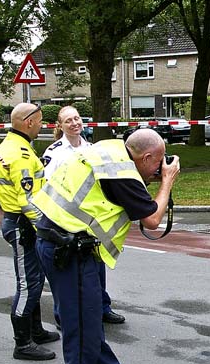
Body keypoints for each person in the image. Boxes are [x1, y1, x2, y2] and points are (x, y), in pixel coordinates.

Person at [32, 129, 180, 364]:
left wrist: (154, 177)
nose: (159, 168)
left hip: (61, 243)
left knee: (89, 322)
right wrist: (167, 182)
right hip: (69, 252)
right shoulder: (123, 173)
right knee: (81, 330)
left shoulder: (111, 149)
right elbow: (152, 219)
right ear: (147, 157)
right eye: (158, 163)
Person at [41, 106, 126, 326]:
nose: (75, 123)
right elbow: (50, 186)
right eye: (68, 120)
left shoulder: (91, 148)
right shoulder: (55, 152)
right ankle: (62, 315)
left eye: (77, 118)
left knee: (97, 263)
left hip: (90, 217)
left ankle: (102, 307)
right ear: (60, 126)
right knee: (66, 273)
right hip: (66, 220)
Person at [0, 103, 59, 361]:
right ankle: (23, 344)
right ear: (29, 122)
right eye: (40, 121)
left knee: (35, 278)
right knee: (27, 284)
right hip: (23, 225)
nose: (42, 125)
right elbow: (27, 199)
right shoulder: (19, 153)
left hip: (20, 222)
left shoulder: (9, 145)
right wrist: (48, 227)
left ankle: (36, 331)